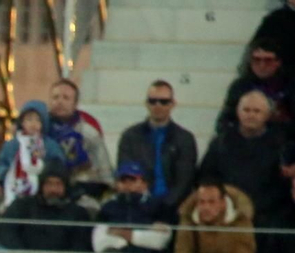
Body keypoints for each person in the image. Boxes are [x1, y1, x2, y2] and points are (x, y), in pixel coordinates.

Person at [200, 90, 292, 237]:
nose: (251, 115)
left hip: (268, 217)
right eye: (246, 110)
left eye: (257, 111)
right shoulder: (221, 142)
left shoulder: (281, 145)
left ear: (267, 115)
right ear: (238, 112)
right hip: (226, 213)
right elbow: (206, 176)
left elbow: (283, 185)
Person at [90, 161, 174, 253]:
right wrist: (138, 237)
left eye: (132, 180)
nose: (128, 185)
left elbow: (160, 241)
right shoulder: (108, 208)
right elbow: (99, 243)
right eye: (123, 181)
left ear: (143, 183)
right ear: (117, 184)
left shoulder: (159, 206)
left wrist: (124, 234)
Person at [115, 80, 196, 212]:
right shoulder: (130, 136)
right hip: (137, 204)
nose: (158, 105)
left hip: (174, 208)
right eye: (153, 101)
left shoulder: (185, 139)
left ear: (172, 104)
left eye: (163, 102)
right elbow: (125, 174)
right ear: (146, 104)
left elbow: (184, 181)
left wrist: (165, 206)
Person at [44, 78, 111, 208]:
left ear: (75, 104)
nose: (59, 102)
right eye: (55, 97)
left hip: (81, 192)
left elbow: (105, 175)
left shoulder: (89, 133)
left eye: (66, 98)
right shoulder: (39, 132)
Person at [218, 40, 290, 136]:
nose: (262, 65)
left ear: (278, 62)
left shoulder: (289, 87)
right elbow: (223, 123)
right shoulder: (240, 87)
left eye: (268, 60)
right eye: (256, 60)